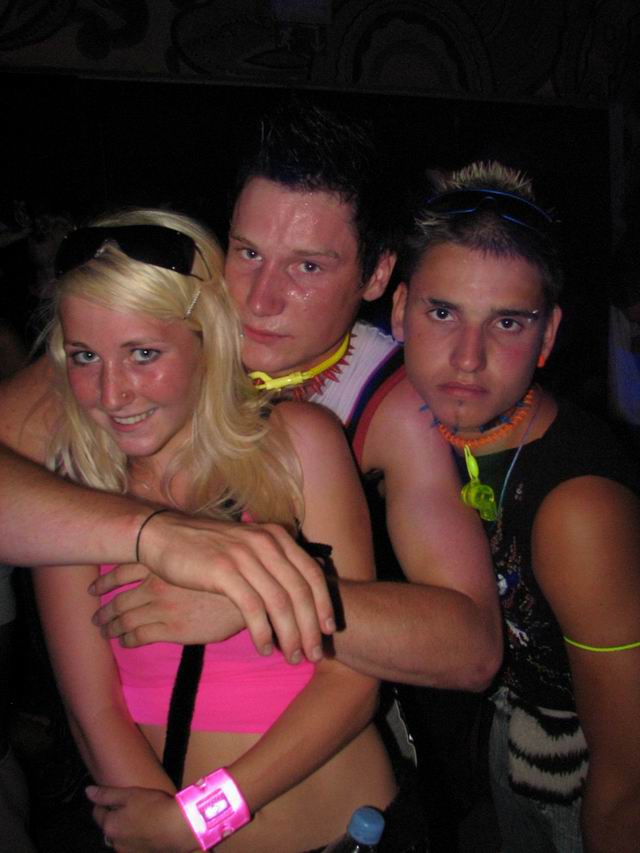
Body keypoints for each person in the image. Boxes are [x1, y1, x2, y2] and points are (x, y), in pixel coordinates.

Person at [29, 206, 406, 852]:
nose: (111, 393)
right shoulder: (68, 495)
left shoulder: (299, 446)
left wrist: (201, 819)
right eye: (85, 356)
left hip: (349, 835)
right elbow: (93, 712)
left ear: (208, 340)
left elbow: (354, 680)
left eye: (143, 353)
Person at [390, 160, 640, 852]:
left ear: (548, 335)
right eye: (443, 312)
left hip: (583, 772)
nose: (468, 357)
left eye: (506, 322)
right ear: (399, 310)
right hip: (504, 737)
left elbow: (628, 777)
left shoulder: (579, 511)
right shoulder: (404, 431)